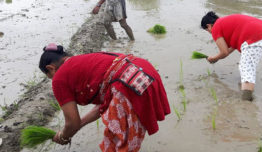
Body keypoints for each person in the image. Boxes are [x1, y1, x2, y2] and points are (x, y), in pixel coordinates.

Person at [39, 43, 170, 151]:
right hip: (143, 71)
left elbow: (72, 122)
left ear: (51, 68)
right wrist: (79, 124)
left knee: (117, 146)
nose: (53, 80)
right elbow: (104, 104)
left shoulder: (59, 79)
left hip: (126, 84)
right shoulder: (83, 60)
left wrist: (63, 136)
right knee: (125, 141)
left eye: (50, 76)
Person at [201, 12, 262, 101]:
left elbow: (224, 52)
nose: (210, 33)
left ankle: (246, 99)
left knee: (246, 67)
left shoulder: (215, 28)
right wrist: (217, 58)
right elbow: (230, 49)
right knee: (247, 65)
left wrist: (214, 58)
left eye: (207, 31)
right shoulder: (224, 23)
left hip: (255, 35)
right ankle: (246, 87)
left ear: (208, 26)